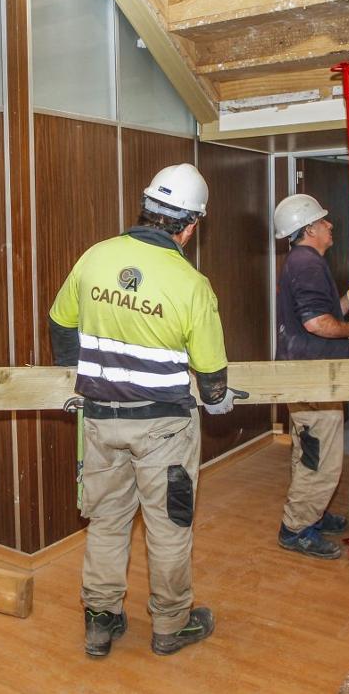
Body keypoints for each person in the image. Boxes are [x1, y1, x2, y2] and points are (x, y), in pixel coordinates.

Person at [48, 163, 240, 659]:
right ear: (190, 225)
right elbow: (211, 372)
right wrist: (218, 401)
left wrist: (82, 377)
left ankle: (99, 619)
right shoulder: (192, 284)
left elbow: (60, 324)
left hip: (101, 422)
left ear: (146, 208)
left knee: (108, 522)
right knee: (169, 526)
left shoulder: (95, 257)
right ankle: (171, 625)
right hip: (164, 430)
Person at [271, 193, 349, 560]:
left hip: (306, 372)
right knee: (320, 458)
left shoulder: (302, 262)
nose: (331, 226)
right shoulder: (308, 264)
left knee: (309, 449)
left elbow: (320, 312)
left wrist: (347, 300)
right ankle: (297, 528)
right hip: (312, 376)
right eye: (324, 221)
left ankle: (311, 513)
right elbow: (317, 323)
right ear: (310, 228)